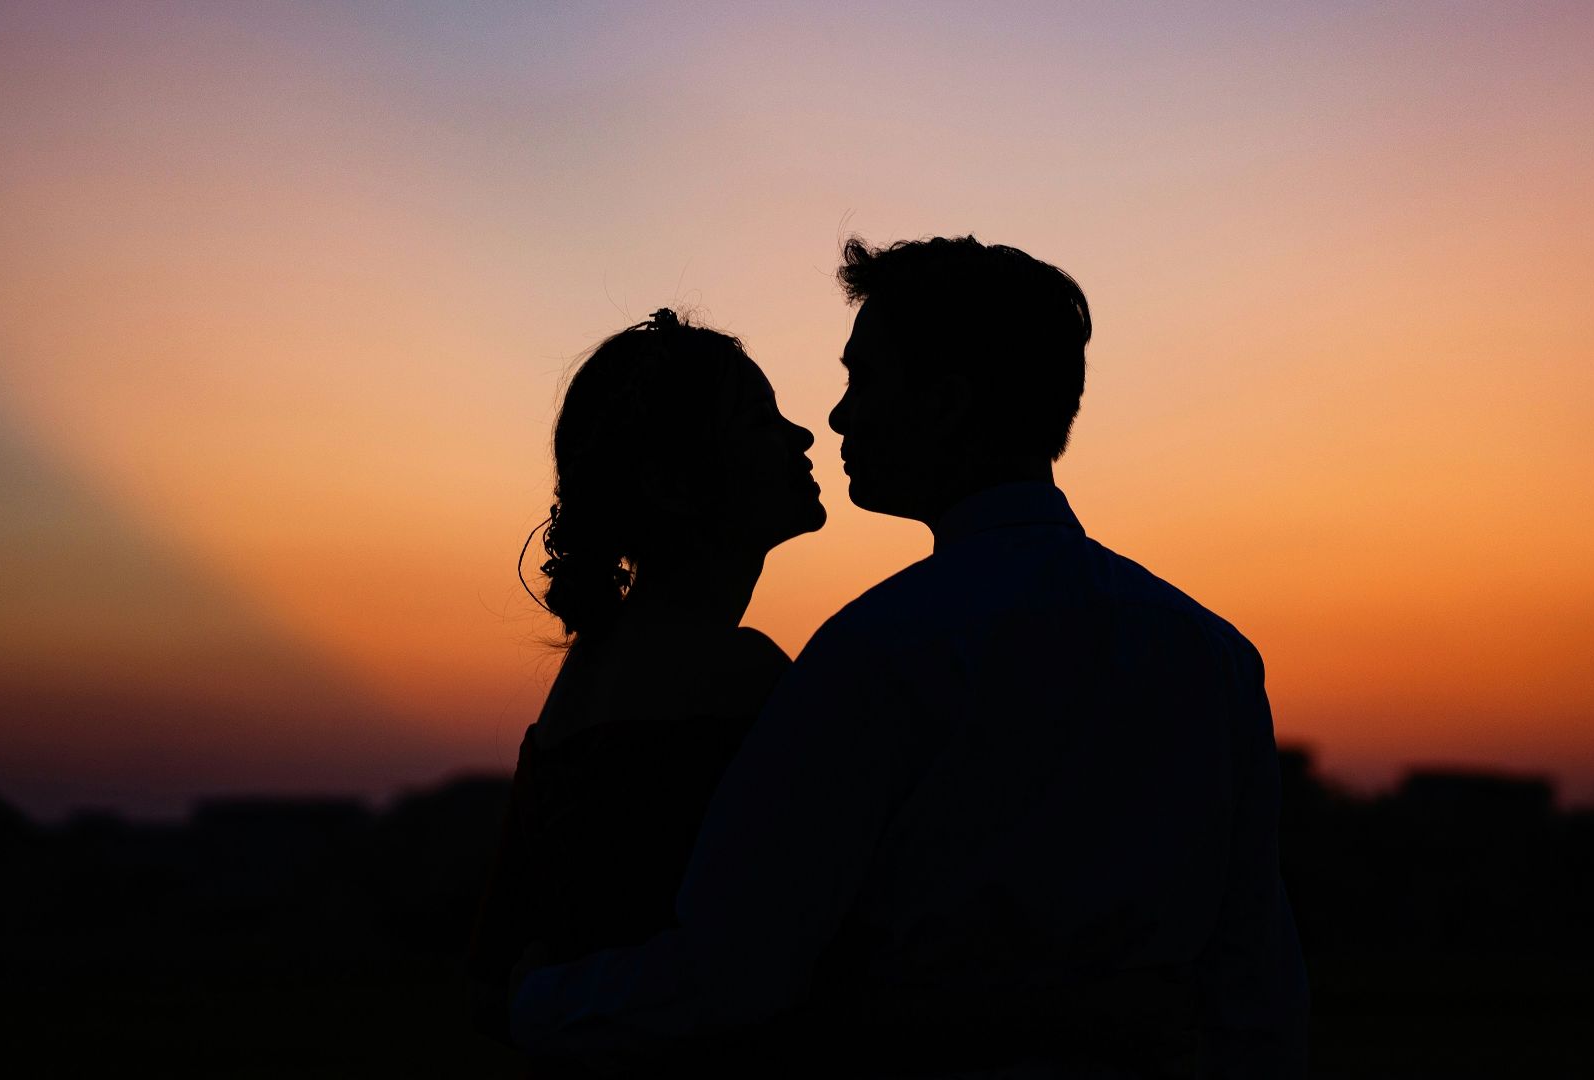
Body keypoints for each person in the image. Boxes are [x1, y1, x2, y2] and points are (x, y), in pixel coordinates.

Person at [511, 237, 1309, 1078]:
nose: (837, 417)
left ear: (945, 405)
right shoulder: (1212, 653)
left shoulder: (874, 656)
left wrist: (536, 1004)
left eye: (862, 379)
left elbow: (737, 967)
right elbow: (1257, 976)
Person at [469, 309, 826, 1077]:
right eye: (760, 421)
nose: (801, 435)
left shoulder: (588, 677)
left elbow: (496, 968)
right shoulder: (739, 678)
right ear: (675, 484)